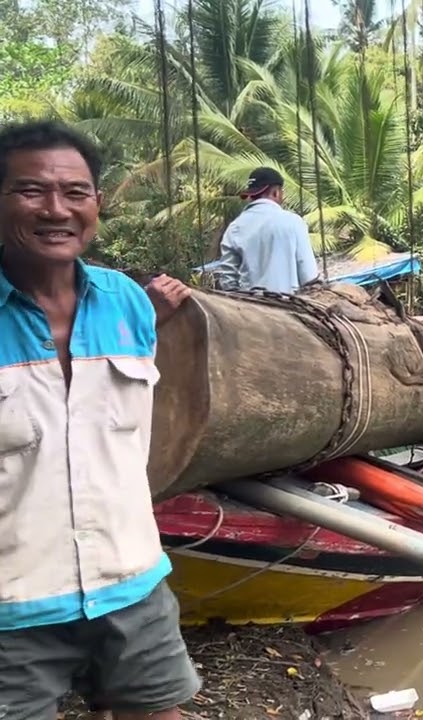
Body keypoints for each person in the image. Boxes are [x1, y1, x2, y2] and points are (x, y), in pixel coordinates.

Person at [0, 120, 200, 718]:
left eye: (75, 192)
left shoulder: (128, 302)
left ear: (97, 204)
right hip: (13, 610)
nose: (56, 209)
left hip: (132, 586)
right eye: (31, 191)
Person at [211, 166, 319, 293]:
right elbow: (309, 276)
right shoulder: (293, 222)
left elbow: (228, 282)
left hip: (249, 308)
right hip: (289, 306)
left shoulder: (235, 228)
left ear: (251, 195)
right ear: (276, 193)